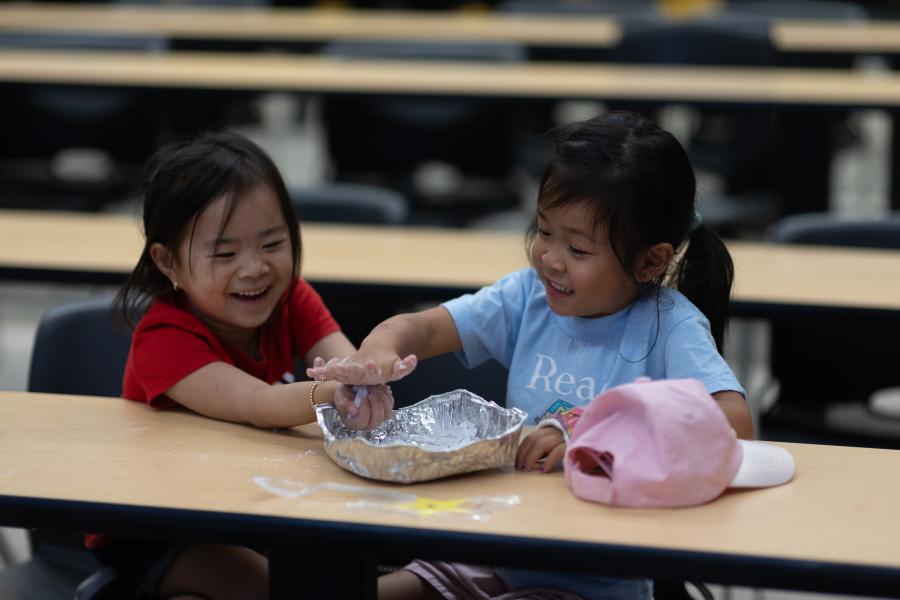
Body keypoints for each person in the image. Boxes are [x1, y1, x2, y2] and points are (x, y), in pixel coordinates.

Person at [308, 111, 754, 600]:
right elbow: (419, 327)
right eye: (544, 231)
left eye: (578, 250)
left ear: (651, 260)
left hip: (591, 579)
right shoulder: (528, 298)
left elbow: (735, 424)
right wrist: (378, 353)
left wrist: (592, 433)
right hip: (501, 549)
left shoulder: (669, 324)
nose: (549, 258)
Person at [89, 131, 394, 600]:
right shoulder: (163, 338)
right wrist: (335, 392)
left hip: (247, 500)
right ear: (168, 262)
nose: (254, 268)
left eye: (272, 244)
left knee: (343, 566)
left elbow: (342, 361)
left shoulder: (291, 296)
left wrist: (366, 375)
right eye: (225, 253)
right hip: (161, 524)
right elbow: (256, 402)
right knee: (276, 589)